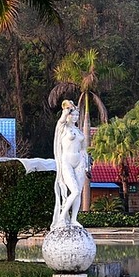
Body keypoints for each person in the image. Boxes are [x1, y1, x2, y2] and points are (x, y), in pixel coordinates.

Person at [52, 99, 88, 230]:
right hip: (66, 160)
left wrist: (87, 162)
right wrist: (67, 108)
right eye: (73, 115)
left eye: (77, 115)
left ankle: (74, 219)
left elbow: (83, 148)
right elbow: (61, 119)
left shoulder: (78, 131)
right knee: (74, 190)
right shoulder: (63, 127)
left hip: (79, 161)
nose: (75, 117)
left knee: (78, 192)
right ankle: (61, 217)